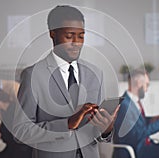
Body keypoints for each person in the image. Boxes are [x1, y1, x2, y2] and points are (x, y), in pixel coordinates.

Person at [13, 5, 118, 158]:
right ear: (52, 34)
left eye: (81, 36)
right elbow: (20, 131)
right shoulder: (32, 75)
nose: (76, 42)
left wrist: (107, 129)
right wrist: (66, 124)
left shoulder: (96, 74)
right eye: (69, 36)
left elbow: (97, 132)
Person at [0, 87, 32, 158]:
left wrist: (0, 135)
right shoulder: (9, 109)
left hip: (17, 152)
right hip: (16, 150)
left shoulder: (12, 112)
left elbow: (14, 137)